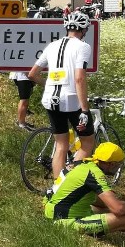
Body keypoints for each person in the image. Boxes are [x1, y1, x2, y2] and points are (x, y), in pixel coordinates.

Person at [45, 143, 125, 247]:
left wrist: (117, 205)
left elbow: (98, 201)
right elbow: (119, 209)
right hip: (63, 221)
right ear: (110, 164)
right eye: (118, 164)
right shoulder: (95, 174)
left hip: (52, 210)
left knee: (107, 208)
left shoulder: (80, 164)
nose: (118, 168)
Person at [27, 10, 93, 179]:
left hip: (50, 100)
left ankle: (57, 187)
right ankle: (69, 181)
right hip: (71, 101)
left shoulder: (52, 45)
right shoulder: (83, 47)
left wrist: (48, 84)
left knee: (61, 145)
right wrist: (85, 110)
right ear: (83, 30)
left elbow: (33, 74)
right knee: (86, 144)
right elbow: (79, 78)